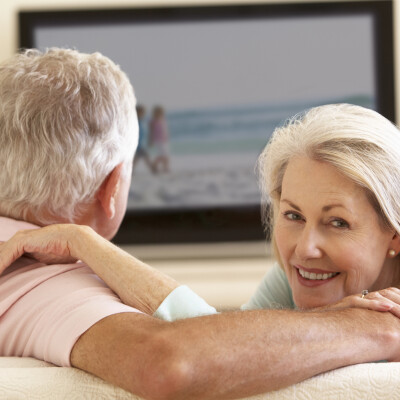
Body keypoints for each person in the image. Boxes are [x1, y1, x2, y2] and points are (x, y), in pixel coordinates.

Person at [0, 49, 399, 400]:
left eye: (338, 223)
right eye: (293, 215)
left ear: (394, 234)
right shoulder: (293, 276)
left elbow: (179, 361)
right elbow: (218, 343)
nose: (305, 248)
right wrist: (82, 240)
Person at [132, 104, 154, 173]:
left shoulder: (141, 121)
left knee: (138, 158)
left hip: (140, 144)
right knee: (145, 157)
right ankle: (153, 169)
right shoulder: (135, 122)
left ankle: (131, 170)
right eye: (141, 113)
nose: (143, 114)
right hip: (138, 144)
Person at [148, 105, 170, 173]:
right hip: (158, 140)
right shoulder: (153, 122)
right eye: (158, 112)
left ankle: (165, 167)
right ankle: (156, 165)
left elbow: (165, 130)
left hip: (164, 140)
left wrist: (167, 137)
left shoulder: (162, 120)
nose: (160, 114)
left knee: (165, 154)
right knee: (162, 155)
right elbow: (151, 132)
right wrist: (150, 140)